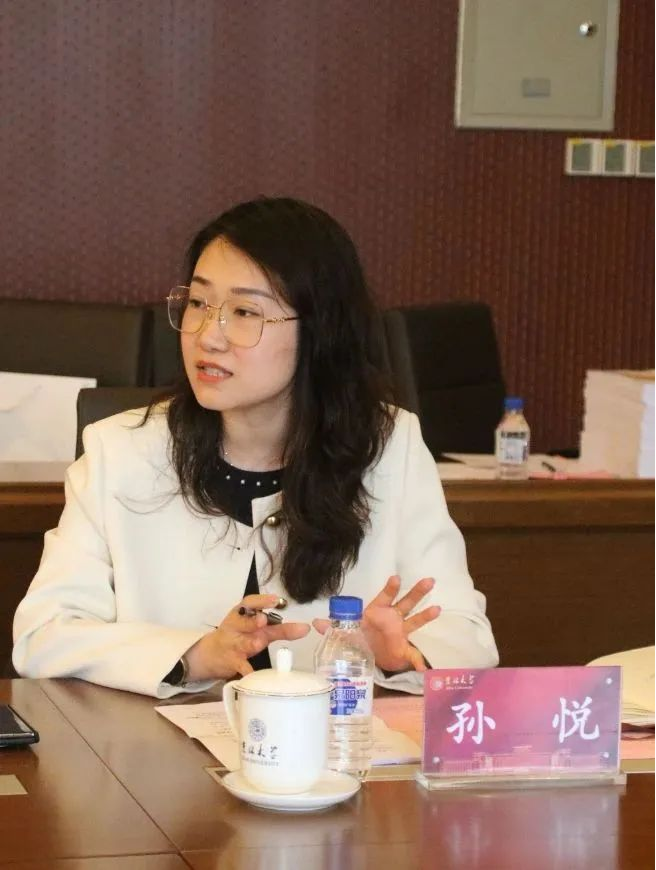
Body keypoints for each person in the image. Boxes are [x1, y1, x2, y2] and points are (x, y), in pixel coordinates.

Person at [13, 197, 498, 698]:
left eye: (244, 312)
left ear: (319, 330)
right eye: (198, 304)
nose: (208, 336)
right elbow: (43, 636)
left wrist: (398, 657)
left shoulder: (390, 447)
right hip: (158, 744)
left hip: (336, 744)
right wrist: (192, 655)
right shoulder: (120, 451)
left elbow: (467, 635)